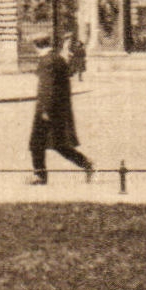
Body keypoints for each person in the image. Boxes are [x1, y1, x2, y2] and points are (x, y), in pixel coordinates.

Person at [27, 35, 93, 185]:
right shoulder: (57, 59)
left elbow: (47, 87)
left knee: (36, 143)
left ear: (36, 46)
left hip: (48, 109)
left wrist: (44, 110)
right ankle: (86, 164)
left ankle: (40, 175)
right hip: (59, 109)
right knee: (59, 144)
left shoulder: (47, 61)